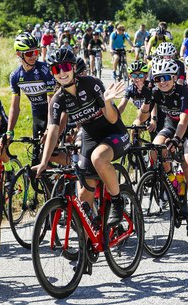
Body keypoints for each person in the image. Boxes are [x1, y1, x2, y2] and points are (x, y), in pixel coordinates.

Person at [32, 48, 129, 225]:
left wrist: (107, 102)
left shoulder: (92, 84)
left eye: (66, 67)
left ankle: (117, 200)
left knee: (98, 158)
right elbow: (53, 131)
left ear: (74, 68)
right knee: (83, 200)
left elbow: (113, 118)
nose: (62, 72)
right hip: (90, 137)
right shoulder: (57, 100)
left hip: (114, 132)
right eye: (56, 69)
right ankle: (89, 245)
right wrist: (44, 162)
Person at [134, 59, 188, 235]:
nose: (162, 82)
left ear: (174, 77)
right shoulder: (155, 91)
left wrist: (176, 139)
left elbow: (184, 120)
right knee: (154, 148)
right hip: (170, 126)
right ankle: (173, 180)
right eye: (158, 79)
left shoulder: (183, 92)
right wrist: (137, 122)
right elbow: (143, 115)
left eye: (166, 78)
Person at [7, 33, 56, 145]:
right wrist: (9, 131)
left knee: (52, 153)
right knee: (36, 156)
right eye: (29, 53)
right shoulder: (15, 76)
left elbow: (51, 102)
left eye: (36, 52)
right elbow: (14, 107)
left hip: (54, 112)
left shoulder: (44, 69)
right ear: (19, 54)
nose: (34, 56)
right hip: (37, 115)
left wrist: (49, 127)